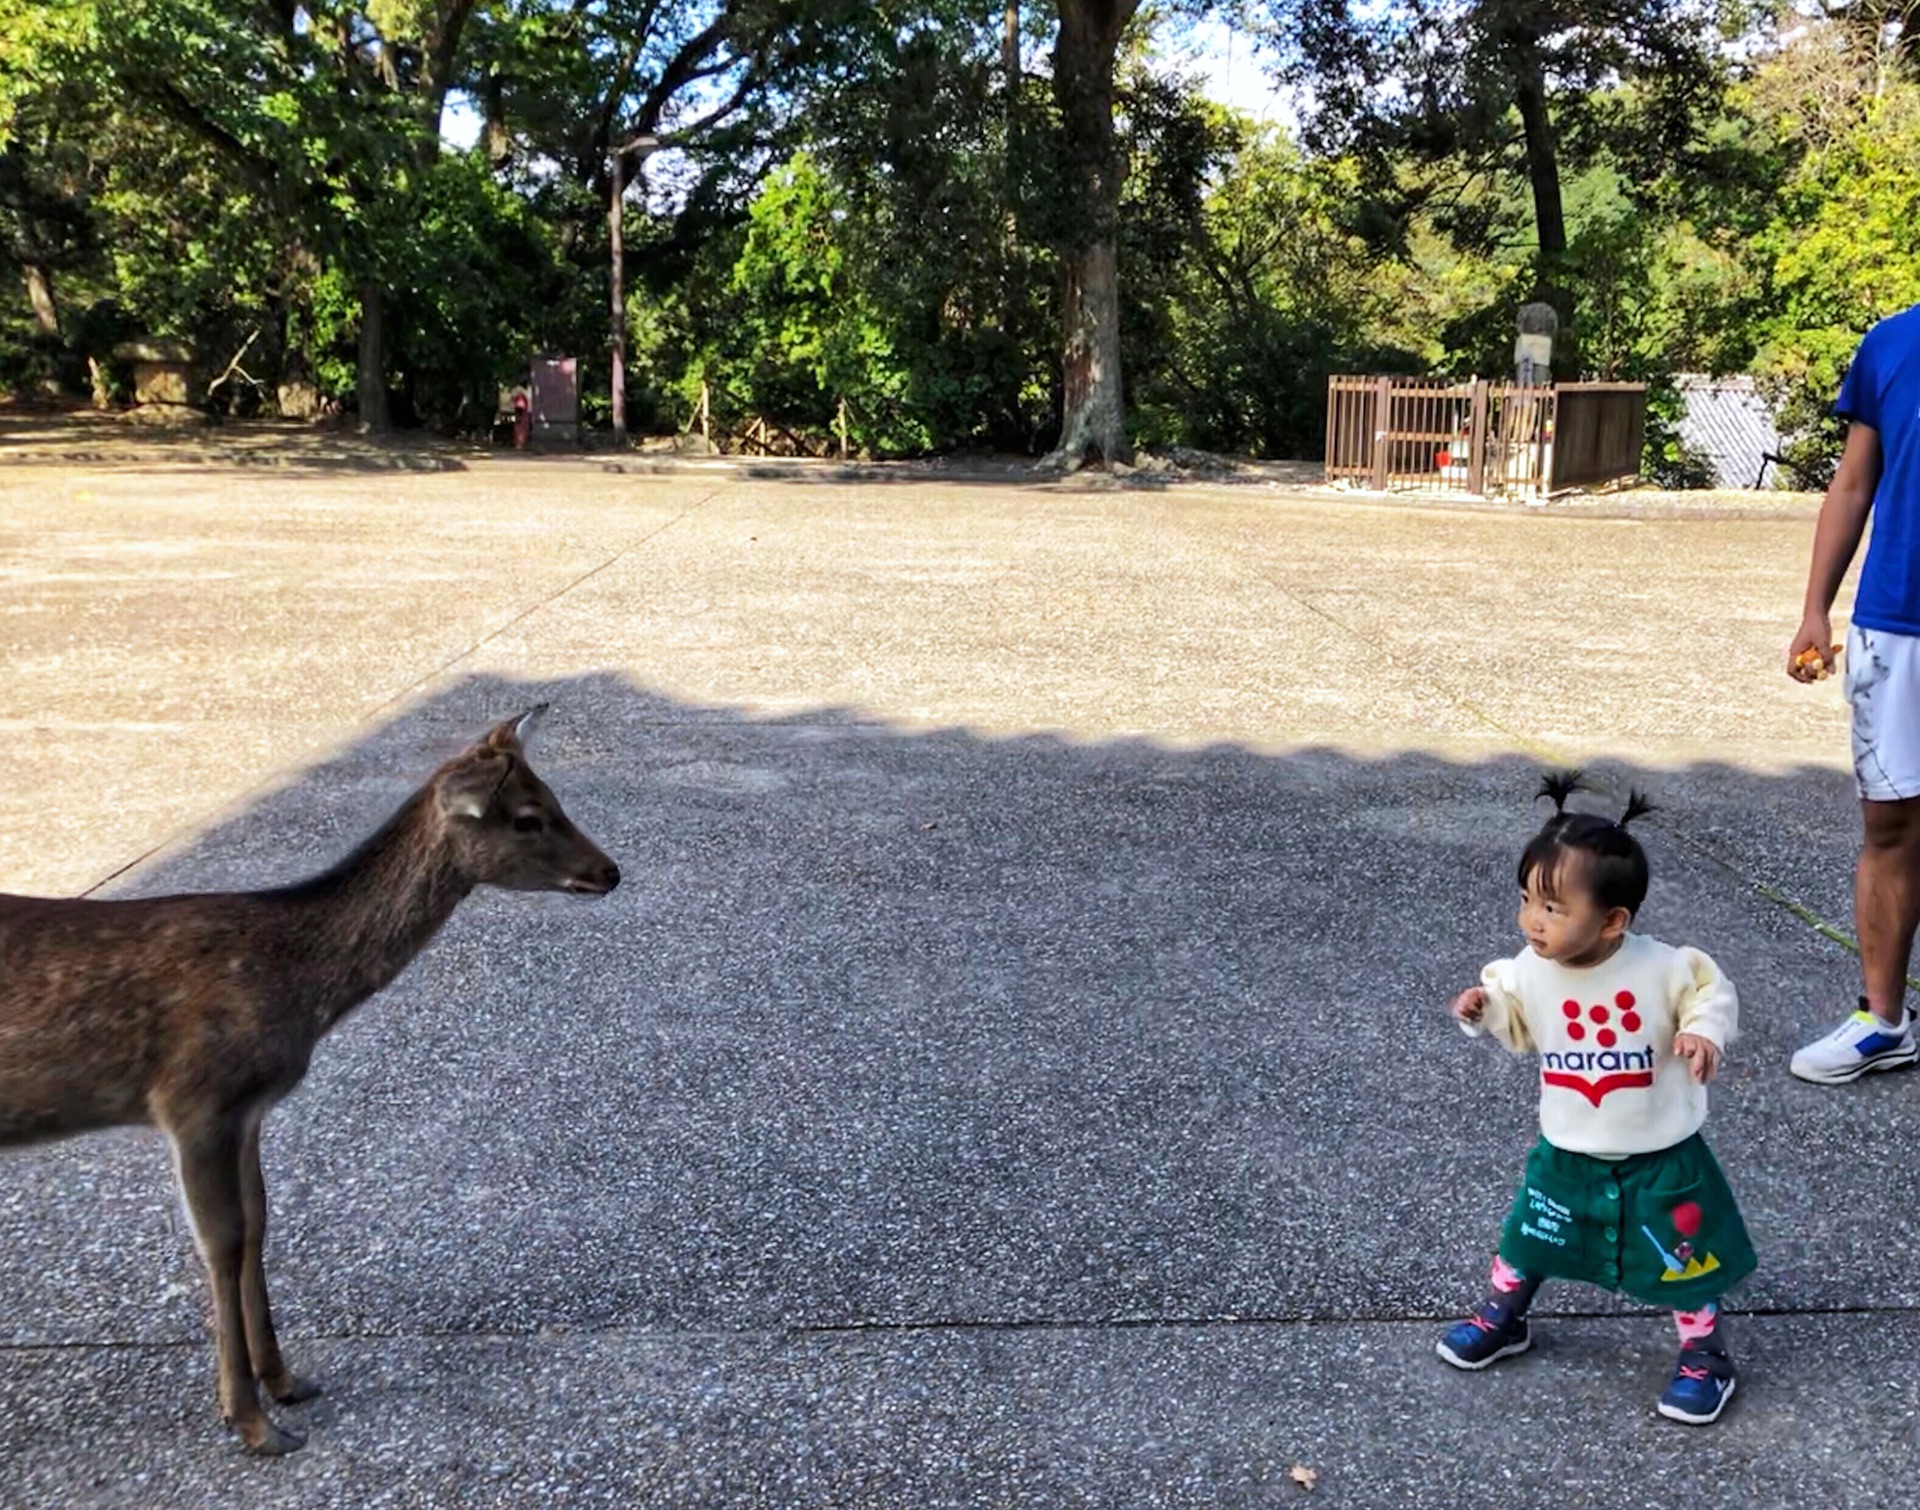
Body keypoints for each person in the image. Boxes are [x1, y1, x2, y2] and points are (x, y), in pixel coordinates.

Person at [1436, 773, 1755, 1426]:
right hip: (1569, 1149)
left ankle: (1704, 1354)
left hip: (1661, 1154)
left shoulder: (1665, 968)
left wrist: (1700, 1032)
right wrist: (1484, 1008)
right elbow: (1517, 1024)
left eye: (1553, 907)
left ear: (1613, 921)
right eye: (1527, 899)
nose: (1532, 919)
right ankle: (1506, 1313)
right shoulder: (1526, 969)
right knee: (1531, 1234)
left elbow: (1708, 994)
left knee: (1682, 1262)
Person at [1787, 302, 1920, 1084]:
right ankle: (1883, 1021)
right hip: (1895, 622)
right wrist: (1815, 609)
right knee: (1891, 822)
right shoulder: (1892, 342)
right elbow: (1852, 483)